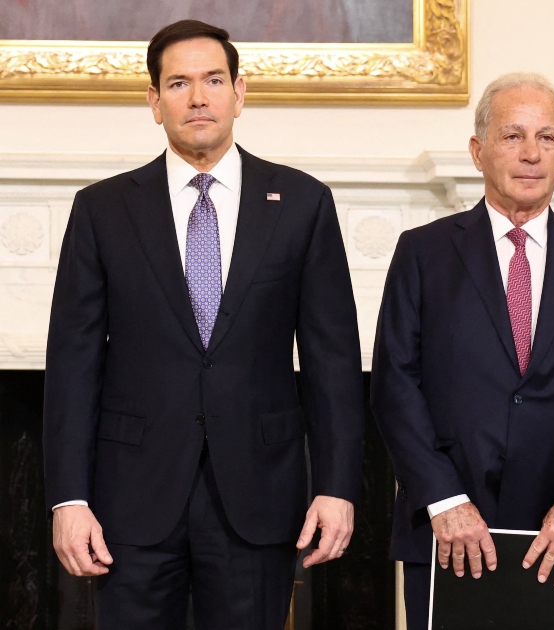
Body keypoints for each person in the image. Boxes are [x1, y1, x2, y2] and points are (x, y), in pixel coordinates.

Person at [43, 20, 365, 629]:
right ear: (154, 101)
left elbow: (333, 362)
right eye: (179, 83)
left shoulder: (302, 203)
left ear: (239, 94)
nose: (198, 98)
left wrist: (337, 486)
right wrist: (69, 497)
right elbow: (72, 365)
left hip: (259, 495)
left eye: (214, 80)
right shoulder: (103, 209)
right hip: (129, 503)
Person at [370, 72, 554, 629]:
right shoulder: (422, 253)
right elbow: (394, 383)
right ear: (478, 152)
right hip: (447, 527)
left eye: (546, 138)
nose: (530, 154)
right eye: (512, 136)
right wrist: (444, 499)